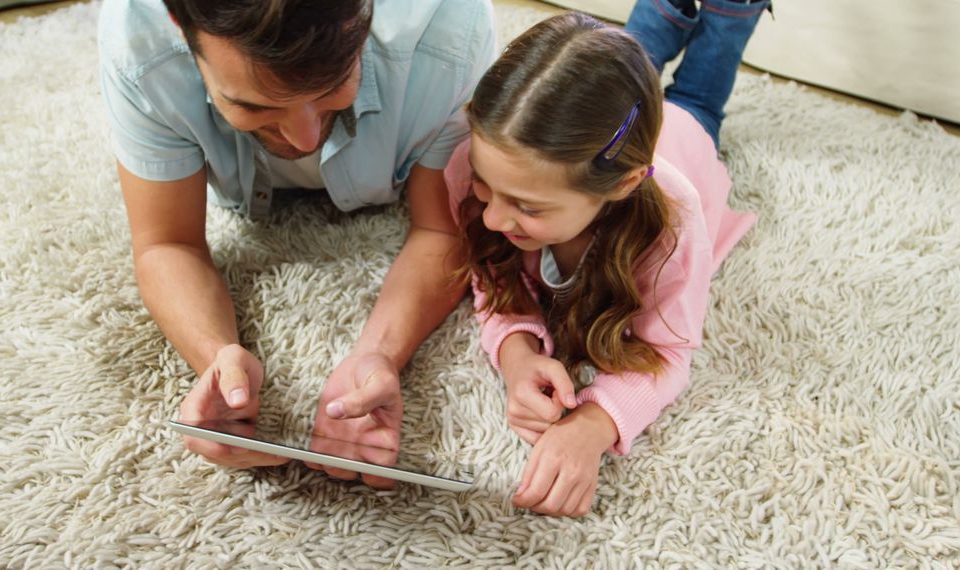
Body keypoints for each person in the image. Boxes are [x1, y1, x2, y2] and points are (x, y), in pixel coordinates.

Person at [97, 0, 494, 487]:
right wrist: (216, 359)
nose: (303, 138)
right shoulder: (137, 40)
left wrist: (380, 354)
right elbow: (166, 242)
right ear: (179, 26)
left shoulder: (451, 24)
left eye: (332, 87)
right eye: (253, 106)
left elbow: (441, 229)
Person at [443, 0, 769, 517]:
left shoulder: (671, 230)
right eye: (486, 189)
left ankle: (732, 12)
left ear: (621, 186)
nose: (491, 220)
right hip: (605, 135)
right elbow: (491, 281)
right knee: (627, 63)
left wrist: (594, 425)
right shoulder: (482, 160)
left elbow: (670, 352)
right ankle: (665, 12)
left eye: (528, 207)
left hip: (686, 134)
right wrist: (518, 357)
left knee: (698, 100)